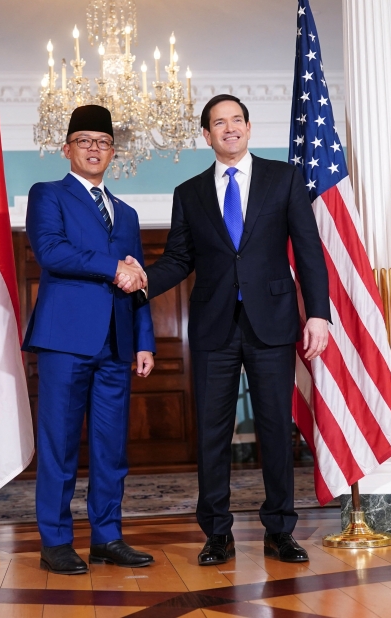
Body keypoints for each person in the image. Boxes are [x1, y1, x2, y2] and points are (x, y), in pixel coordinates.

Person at [136, 94, 331, 565]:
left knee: (274, 430)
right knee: (212, 434)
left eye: (236, 120)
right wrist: (142, 279)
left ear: (248, 127)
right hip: (213, 329)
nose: (229, 128)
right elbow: (180, 260)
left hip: (274, 325)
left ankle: (280, 530)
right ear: (206, 135)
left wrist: (318, 314)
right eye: (218, 123)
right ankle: (217, 533)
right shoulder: (190, 193)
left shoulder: (283, 179)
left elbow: (307, 250)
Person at [23, 105, 156, 574]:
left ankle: (107, 537)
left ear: (113, 152)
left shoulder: (129, 213)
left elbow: (137, 280)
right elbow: (51, 251)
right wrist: (111, 267)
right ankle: (55, 540)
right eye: (84, 141)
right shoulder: (48, 195)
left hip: (117, 343)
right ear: (67, 149)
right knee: (58, 443)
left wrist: (145, 341)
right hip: (65, 339)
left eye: (102, 142)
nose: (94, 149)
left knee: (110, 446)